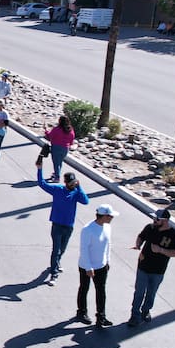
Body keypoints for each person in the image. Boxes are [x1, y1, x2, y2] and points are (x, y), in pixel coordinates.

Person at [37, 155, 90, 285]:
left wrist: (79, 187)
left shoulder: (76, 192)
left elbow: (85, 201)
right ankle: (53, 274)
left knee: (63, 249)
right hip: (57, 225)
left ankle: (56, 263)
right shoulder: (57, 189)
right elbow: (42, 184)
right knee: (56, 250)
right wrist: (39, 169)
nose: (72, 185)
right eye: (71, 183)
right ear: (65, 182)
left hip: (69, 226)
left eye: (74, 182)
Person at [128, 209, 175, 327]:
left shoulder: (173, 234)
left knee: (151, 292)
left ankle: (146, 311)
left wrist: (160, 250)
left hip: (158, 270)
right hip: (143, 266)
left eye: (157, 219)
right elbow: (141, 236)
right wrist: (138, 244)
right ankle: (134, 315)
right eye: (154, 218)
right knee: (139, 292)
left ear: (165, 221)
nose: (154, 221)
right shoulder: (150, 228)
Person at [77, 204, 118, 328]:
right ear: (104, 216)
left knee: (101, 290)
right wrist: (88, 267)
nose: (112, 218)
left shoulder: (107, 227)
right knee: (84, 288)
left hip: (101, 266)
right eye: (110, 216)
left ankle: (101, 316)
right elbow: (84, 250)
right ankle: (81, 312)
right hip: (87, 266)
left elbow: (108, 245)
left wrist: (107, 261)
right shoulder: (87, 229)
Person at [44, 116, 75, 183]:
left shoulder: (57, 129)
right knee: (59, 162)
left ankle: (57, 177)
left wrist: (46, 130)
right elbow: (71, 140)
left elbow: (49, 136)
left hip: (56, 148)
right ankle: (55, 174)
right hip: (65, 149)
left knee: (56, 163)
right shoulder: (70, 130)